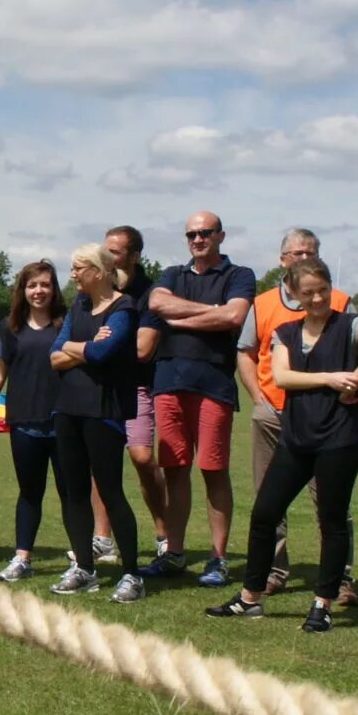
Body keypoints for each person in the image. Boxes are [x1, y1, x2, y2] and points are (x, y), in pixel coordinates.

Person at [207, 258, 358, 631]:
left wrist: (354, 379)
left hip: (340, 438)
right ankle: (250, 598)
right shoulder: (286, 333)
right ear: (293, 294)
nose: (318, 298)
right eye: (308, 293)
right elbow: (281, 376)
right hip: (297, 437)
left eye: (323, 289)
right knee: (265, 513)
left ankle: (322, 604)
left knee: (331, 518)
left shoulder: (351, 324)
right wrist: (331, 378)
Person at [236, 227, 358, 604]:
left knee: (331, 504)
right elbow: (245, 351)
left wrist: (351, 385)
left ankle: (339, 580)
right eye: (295, 253)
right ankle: (271, 573)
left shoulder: (341, 301)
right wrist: (258, 398)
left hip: (326, 420)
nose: (302, 258)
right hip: (274, 413)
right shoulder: (261, 304)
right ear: (282, 261)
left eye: (309, 252)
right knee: (268, 502)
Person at [144, 211, 255, 588]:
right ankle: (174, 553)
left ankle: (218, 558)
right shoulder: (172, 274)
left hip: (213, 385)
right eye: (191, 233)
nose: (197, 239)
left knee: (213, 470)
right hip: (168, 381)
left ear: (220, 235)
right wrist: (212, 312)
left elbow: (235, 316)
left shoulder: (239, 275)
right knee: (174, 468)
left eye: (205, 232)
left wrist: (188, 317)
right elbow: (159, 304)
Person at [48, 244, 160, 603]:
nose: (73, 275)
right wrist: (83, 348)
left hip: (104, 411)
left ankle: (132, 574)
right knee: (73, 492)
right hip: (68, 409)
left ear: (98, 271)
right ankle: (84, 567)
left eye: (79, 268)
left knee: (110, 491)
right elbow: (54, 355)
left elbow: (102, 353)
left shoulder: (123, 308)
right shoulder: (78, 306)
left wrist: (76, 349)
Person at [0, 260, 66, 583]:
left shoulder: (67, 323)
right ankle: (22, 558)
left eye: (45, 284)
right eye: (32, 285)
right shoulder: (9, 327)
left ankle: (83, 561)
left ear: (54, 288)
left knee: (71, 493)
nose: (38, 291)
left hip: (64, 421)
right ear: (23, 290)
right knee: (30, 492)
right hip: (24, 421)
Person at [104, 225, 170, 563]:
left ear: (134, 255)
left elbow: (144, 349)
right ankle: (102, 540)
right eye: (106, 250)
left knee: (142, 458)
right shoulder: (96, 290)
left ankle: (164, 533)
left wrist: (100, 344)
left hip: (138, 385)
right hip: (99, 386)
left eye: (114, 251)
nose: (108, 256)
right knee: (98, 461)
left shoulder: (151, 293)